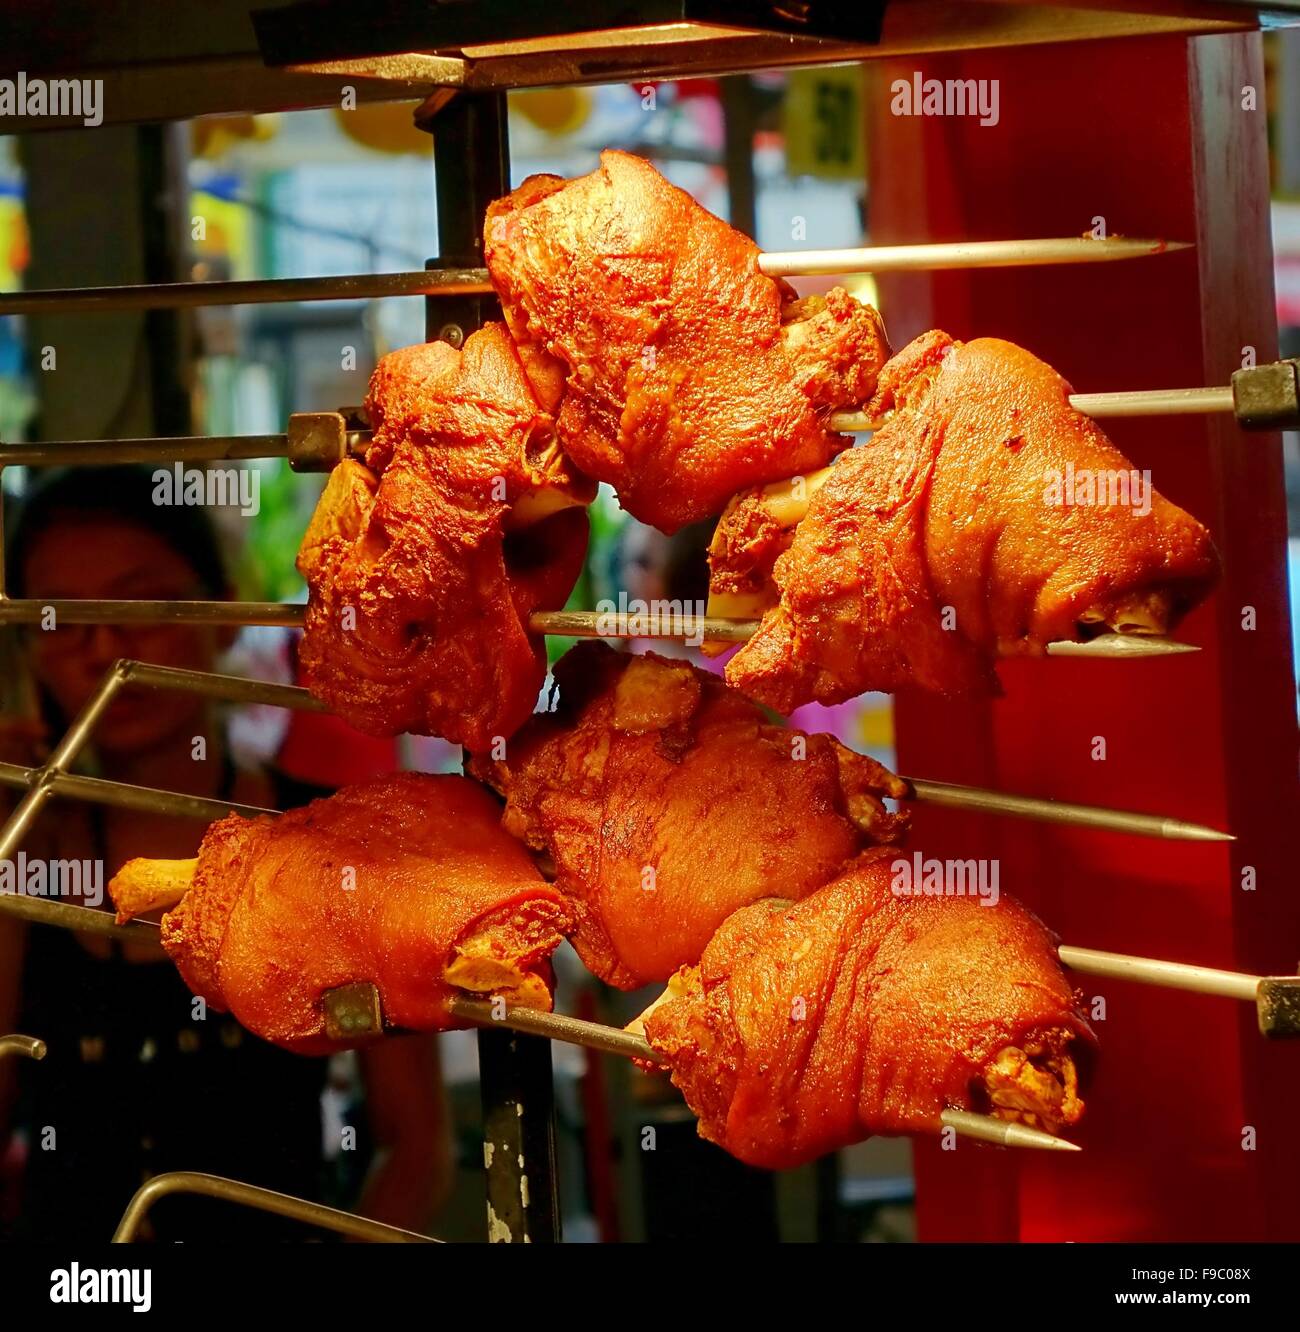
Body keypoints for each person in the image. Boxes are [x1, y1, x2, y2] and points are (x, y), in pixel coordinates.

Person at [0, 467, 452, 1242]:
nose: (104, 646)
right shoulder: (20, 850)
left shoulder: (326, 838)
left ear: (222, 612)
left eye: (142, 607)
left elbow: (416, 1149)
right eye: (61, 619)